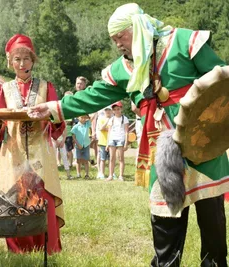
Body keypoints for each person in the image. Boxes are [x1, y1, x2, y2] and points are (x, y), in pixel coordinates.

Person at [28, 3, 228, 266]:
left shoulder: (182, 41)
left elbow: (221, 79)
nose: (118, 44)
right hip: (162, 150)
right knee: (165, 220)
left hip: (201, 142)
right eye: (113, 40)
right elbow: (93, 96)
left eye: (121, 37)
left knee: (211, 219)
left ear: (138, 27)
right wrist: (55, 107)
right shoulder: (123, 69)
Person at [0, 34, 65, 254]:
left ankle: (47, 246)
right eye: (17, 59)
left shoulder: (46, 87)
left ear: (33, 61)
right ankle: (18, 247)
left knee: (42, 199)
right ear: (11, 63)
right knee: (15, 198)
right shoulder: (3, 90)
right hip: (13, 154)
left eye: (26, 59)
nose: (22, 64)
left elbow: (57, 120)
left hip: (40, 153)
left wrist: (52, 118)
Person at [105, 101, 129, 181]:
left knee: (120, 158)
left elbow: (126, 131)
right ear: (113, 111)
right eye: (115, 109)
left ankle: (121, 176)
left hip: (121, 140)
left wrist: (126, 142)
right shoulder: (111, 119)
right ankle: (110, 175)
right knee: (111, 158)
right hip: (112, 139)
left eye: (118, 109)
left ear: (121, 109)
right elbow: (109, 131)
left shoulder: (124, 119)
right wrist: (107, 143)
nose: (116, 111)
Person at [71, 115, 92, 179]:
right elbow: (73, 137)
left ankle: (87, 174)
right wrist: (78, 144)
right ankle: (78, 174)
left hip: (86, 145)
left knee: (86, 160)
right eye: (81, 117)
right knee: (78, 160)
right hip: (78, 146)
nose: (83, 119)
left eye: (84, 117)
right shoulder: (75, 127)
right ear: (78, 117)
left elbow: (90, 118)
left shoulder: (87, 124)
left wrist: (87, 116)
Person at [96, 106, 112, 179]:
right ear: (104, 111)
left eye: (109, 110)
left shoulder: (113, 119)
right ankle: (101, 173)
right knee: (103, 159)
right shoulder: (101, 119)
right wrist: (107, 121)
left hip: (111, 142)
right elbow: (101, 128)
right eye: (106, 110)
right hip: (102, 141)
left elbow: (112, 129)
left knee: (111, 159)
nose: (108, 112)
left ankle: (111, 173)